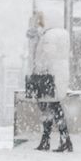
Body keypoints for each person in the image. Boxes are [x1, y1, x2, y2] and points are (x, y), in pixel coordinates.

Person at [30, 11, 73, 152]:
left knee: (50, 107)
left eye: (41, 20)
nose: (39, 23)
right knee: (53, 106)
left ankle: (58, 140)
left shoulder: (49, 36)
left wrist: (37, 71)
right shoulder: (63, 34)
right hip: (59, 75)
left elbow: (47, 55)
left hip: (48, 75)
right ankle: (56, 140)